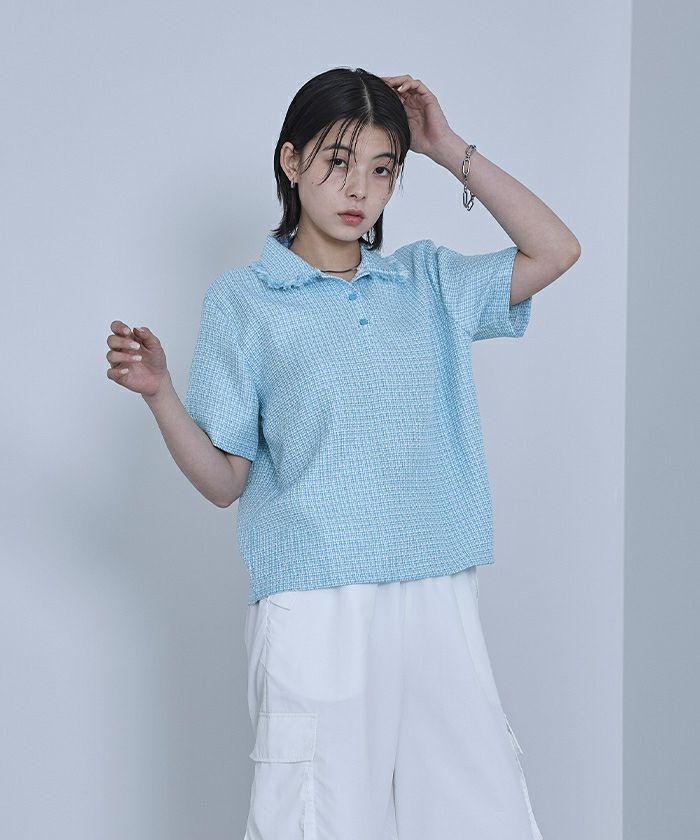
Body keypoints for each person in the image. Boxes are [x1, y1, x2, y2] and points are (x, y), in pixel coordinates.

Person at [106, 67, 580, 840]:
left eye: (383, 168)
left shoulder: (427, 282)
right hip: (317, 602)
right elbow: (225, 482)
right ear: (291, 161)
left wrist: (445, 146)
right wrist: (161, 394)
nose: (360, 187)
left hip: (436, 588)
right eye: (337, 160)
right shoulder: (245, 301)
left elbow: (556, 250)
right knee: (319, 823)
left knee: (477, 817)